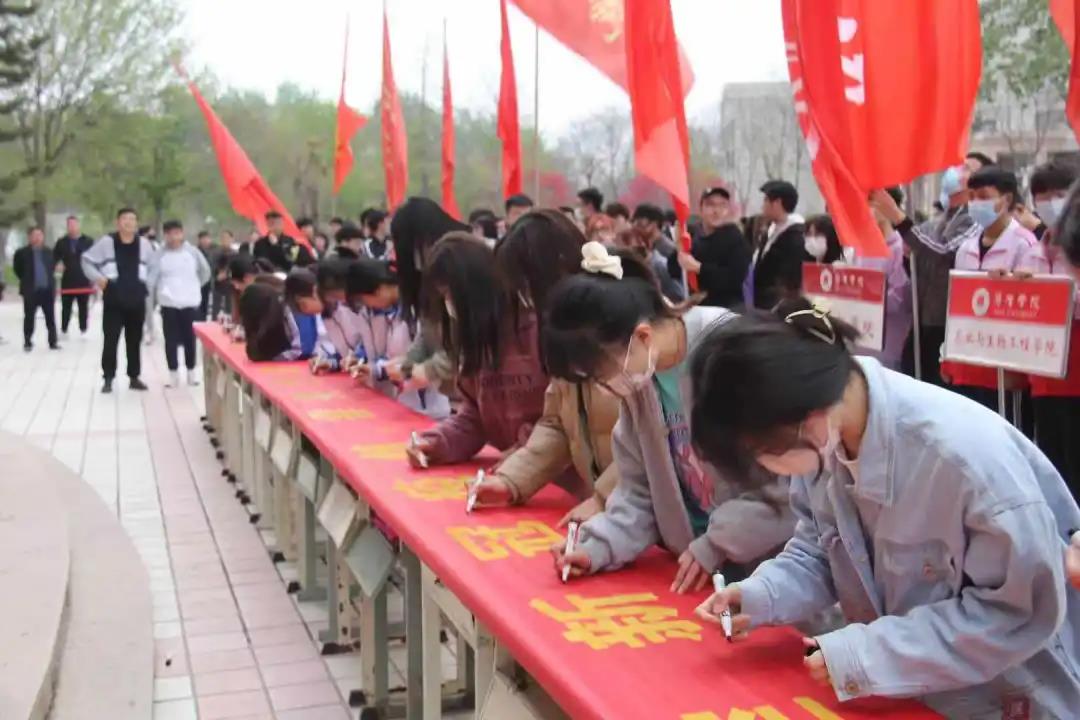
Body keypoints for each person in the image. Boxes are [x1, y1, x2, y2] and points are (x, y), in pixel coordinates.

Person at [691, 298, 1080, 718]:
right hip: (913, 692)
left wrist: (865, 655)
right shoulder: (824, 439)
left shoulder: (961, 461)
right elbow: (820, 551)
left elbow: (1012, 614)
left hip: (1006, 695)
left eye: (764, 450)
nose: (769, 465)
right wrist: (761, 595)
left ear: (810, 416)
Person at [546, 243, 792, 590]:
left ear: (642, 336)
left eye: (600, 376)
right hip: (695, 570)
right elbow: (639, 489)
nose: (602, 389)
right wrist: (596, 546)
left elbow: (787, 486)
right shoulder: (640, 379)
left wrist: (716, 543)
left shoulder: (734, 353)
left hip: (772, 574)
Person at [471, 217, 626, 526]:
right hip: (611, 515)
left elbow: (652, 439)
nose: (526, 300)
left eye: (528, 286)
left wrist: (604, 498)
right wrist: (511, 480)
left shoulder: (627, 325)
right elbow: (557, 423)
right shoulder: (564, 331)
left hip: (646, 512)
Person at [405, 233, 551, 470]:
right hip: (512, 475)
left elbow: (561, 422)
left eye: (450, 294)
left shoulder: (538, 331)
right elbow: (475, 417)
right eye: (443, 296)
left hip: (555, 479)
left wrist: (523, 453)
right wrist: (436, 443)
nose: (448, 304)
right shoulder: (476, 338)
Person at [880, 155, 990, 385]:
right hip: (922, 321)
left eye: (966, 168)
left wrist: (899, 219)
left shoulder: (974, 220)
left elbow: (941, 254)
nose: (956, 171)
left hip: (945, 323)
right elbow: (919, 258)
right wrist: (909, 256)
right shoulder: (939, 220)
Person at [939, 166, 1039, 411]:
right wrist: (947, 354)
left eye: (984, 197)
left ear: (1006, 200)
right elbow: (957, 308)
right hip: (969, 360)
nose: (975, 204)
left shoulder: (1024, 244)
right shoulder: (966, 248)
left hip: (1005, 365)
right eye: (972, 197)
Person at [1025, 162, 1080, 502]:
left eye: (1058, 195)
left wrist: (1057, 297)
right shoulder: (1032, 251)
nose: (1049, 203)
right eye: (1041, 197)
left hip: (1075, 375)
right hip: (1043, 377)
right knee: (1052, 465)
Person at [346, 259, 451, 419]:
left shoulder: (418, 310)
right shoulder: (390, 312)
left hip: (428, 405)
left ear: (380, 290)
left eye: (364, 299)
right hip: (403, 400)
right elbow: (401, 354)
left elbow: (433, 354)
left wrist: (392, 369)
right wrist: (375, 368)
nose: (366, 305)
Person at [386, 197, 470, 393]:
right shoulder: (425, 276)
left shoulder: (466, 264)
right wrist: (409, 363)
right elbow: (428, 331)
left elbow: (469, 340)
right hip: (455, 392)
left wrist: (430, 370)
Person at [82, 208, 155, 393]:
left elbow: (154, 266)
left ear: (136, 223)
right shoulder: (107, 242)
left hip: (136, 297)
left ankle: (134, 377)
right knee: (111, 339)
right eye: (125, 219)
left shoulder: (144, 244)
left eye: (132, 219)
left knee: (134, 339)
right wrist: (98, 278)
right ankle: (108, 378)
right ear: (118, 222)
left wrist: (148, 284)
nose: (129, 222)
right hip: (114, 297)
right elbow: (86, 260)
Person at [149, 220, 211, 387]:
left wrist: (194, 287)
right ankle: (173, 373)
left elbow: (205, 272)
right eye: (170, 234)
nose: (174, 237)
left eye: (177, 233)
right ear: (165, 235)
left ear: (182, 234)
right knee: (170, 340)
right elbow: (152, 278)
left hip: (190, 302)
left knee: (190, 339)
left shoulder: (193, 252)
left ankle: (191, 372)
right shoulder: (159, 255)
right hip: (169, 304)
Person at [677, 186, 751, 309]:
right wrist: (678, 254)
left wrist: (699, 268)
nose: (717, 211)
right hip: (695, 304)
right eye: (710, 205)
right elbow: (674, 270)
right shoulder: (693, 234)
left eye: (722, 206)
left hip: (727, 309)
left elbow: (734, 278)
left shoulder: (735, 238)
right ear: (701, 209)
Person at [751, 180, 806, 310]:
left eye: (766, 200)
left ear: (777, 203)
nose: (762, 206)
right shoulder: (771, 230)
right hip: (760, 304)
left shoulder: (796, 238)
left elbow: (789, 279)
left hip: (776, 307)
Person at [13, 226, 59, 352]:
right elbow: (18, 269)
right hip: (31, 291)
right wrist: (26, 280)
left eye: (40, 235)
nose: (37, 238)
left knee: (50, 317)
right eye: (34, 235)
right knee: (29, 317)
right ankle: (28, 341)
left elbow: (52, 267)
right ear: (29, 237)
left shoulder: (48, 252)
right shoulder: (22, 253)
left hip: (47, 290)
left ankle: (53, 342)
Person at [632, 203, 685, 303]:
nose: (636, 227)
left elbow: (677, 287)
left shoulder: (668, 249)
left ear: (654, 224)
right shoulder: (644, 246)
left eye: (640, 223)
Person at [53, 215, 94, 337]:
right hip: (68, 278)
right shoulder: (61, 242)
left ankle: (83, 329)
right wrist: (57, 265)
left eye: (74, 224)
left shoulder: (88, 241)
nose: (72, 227)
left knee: (83, 306)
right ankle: (64, 329)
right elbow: (54, 258)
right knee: (66, 306)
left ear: (78, 225)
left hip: (84, 278)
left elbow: (94, 258)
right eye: (69, 225)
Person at [316, 259, 359, 358]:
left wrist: (359, 357)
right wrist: (330, 361)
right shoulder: (329, 312)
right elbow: (342, 352)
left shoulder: (361, 308)